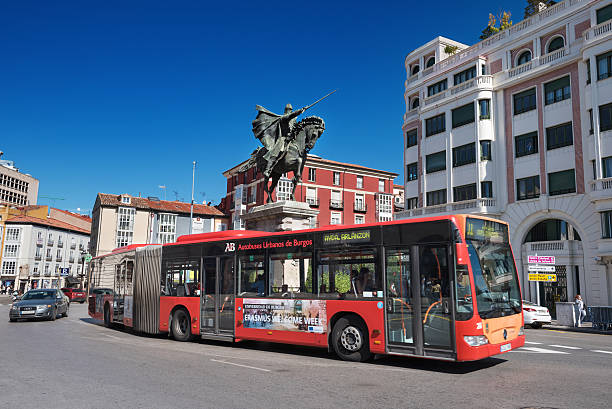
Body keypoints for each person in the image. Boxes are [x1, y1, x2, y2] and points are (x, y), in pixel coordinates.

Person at [252, 103, 307, 175]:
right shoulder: (283, 118)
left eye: (290, 110)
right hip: (282, 139)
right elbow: (291, 116)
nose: (289, 111)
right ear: (286, 110)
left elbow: (294, 127)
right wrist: (300, 111)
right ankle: (267, 169)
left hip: (290, 138)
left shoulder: (293, 120)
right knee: (277, 151)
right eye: (288, 110)